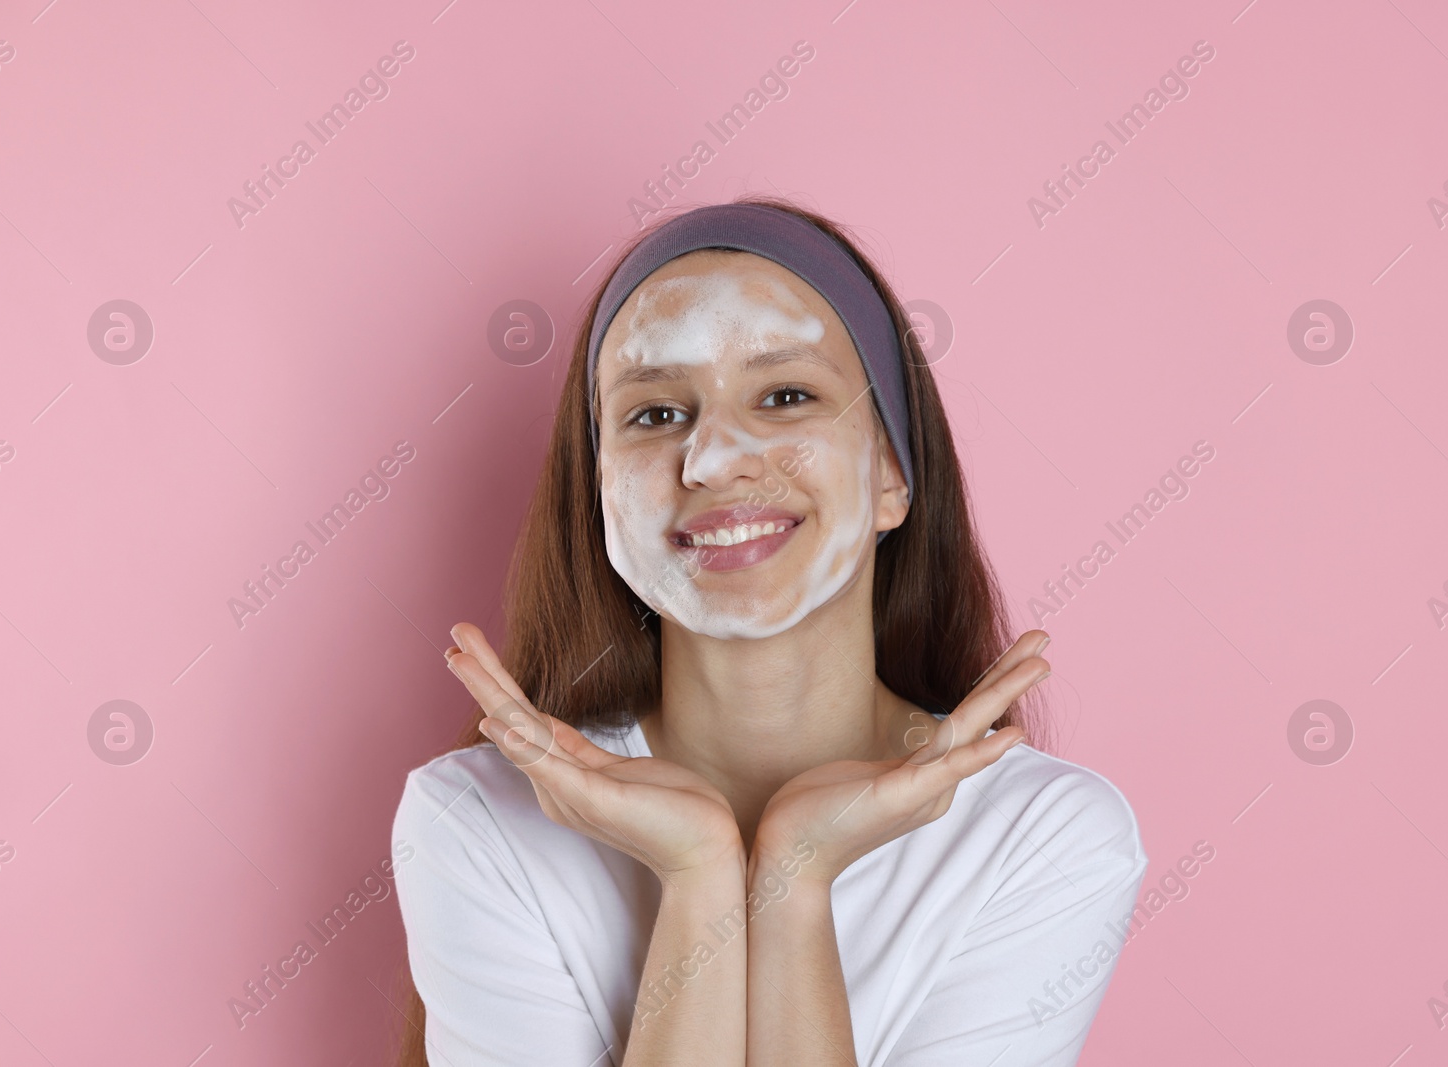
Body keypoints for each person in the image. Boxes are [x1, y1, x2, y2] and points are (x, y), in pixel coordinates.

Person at [390, 197, 1146, 1066]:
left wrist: (796, 878)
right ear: (599, 494)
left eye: (786, 395)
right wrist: (698, 874)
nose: (713, 459)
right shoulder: (482, 820)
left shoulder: (1042, 836)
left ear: (893, 472)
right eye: (655, 413)